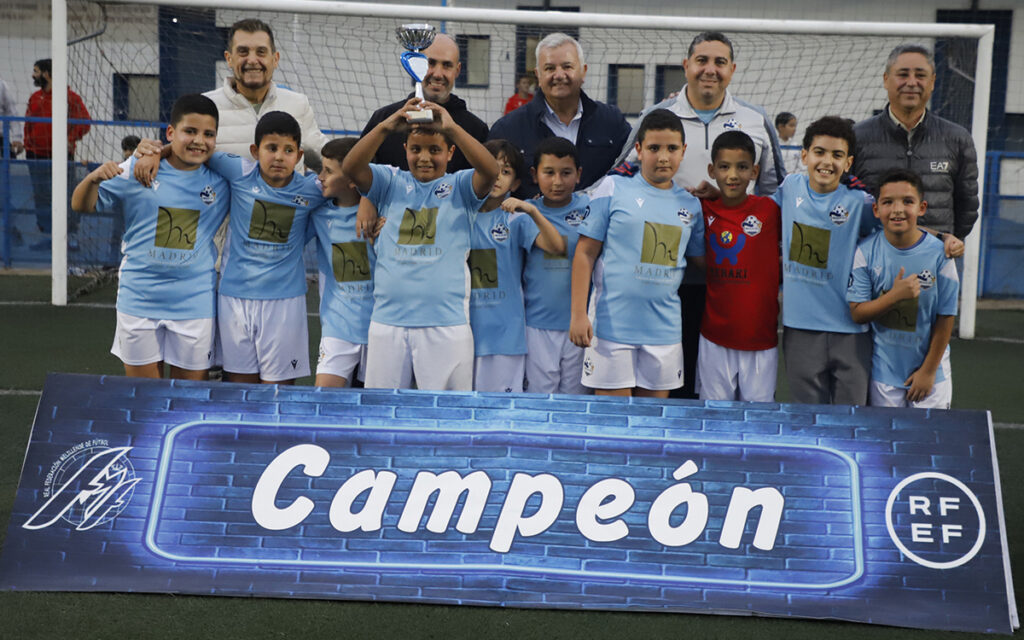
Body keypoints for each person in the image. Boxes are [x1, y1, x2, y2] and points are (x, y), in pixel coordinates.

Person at [612, 32, 784, 400]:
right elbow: (621, 175)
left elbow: (773, 192)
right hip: (667, 277)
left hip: (731, 279)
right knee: (678, 385)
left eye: (720, 62)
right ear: (686, 66)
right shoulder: (658, 117)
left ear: (732, 70)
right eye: (702, 61)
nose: (710, 70)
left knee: (716, 386)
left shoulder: (755, 120)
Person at [70, 94, 229, 381]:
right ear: (171, 132)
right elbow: (81, 205)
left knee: (188, 398)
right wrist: (93, 178)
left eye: (208, 134)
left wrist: (159, 150)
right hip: (139, 299)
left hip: (195, 302)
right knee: (143, 397)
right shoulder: (137, 169)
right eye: (190, 131)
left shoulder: (221, 181)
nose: (199, 141)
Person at [342, 97, 497, 391]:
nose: (424, 157)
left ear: (451, 152)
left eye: (435, 150)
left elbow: (490, 171)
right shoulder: (389, 181)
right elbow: (351, 167)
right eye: (416, 149)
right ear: (405, 150)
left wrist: (452, 128)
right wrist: (385, 127)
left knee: (447, 419)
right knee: (384, 417)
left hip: (445, 325)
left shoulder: (461, 187)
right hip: (388, 323)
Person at [570, 109, 705, 398]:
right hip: (610, 330)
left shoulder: (691, 205)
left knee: (651, 426)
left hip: (664, 334)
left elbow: (701, 262)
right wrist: (578, 315)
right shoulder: (612, 187)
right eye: (654, 148)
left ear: (683, 152)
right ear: (639, 150)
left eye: (671, 149)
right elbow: (585, 252)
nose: (663, 157)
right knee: (612, 425)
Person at [848, 169, 959, 408]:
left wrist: (928, 371)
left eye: (907, 201)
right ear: (876, 210)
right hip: (884, 373)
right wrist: (895, 296)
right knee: (886, 443)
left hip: (931, 372)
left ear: (922, 207)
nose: (898, 210)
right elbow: (857, 313)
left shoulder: (941, 255)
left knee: (930, 443)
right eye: (888, 202)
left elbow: (946, 316)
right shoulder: (865, 252)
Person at [852, 44, 979, 242]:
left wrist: (938, 245)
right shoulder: (856, 137)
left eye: (920, 75)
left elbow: (968, 208)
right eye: (903, 74)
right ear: (886, 80)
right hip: (870, 262)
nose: (912, 83)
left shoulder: (957, 139)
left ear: (933, 82)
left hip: (935, 261)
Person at [470, 139, 565, 393]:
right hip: (463, 336)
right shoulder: (460, 213)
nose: (497, 176)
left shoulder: (517, 219)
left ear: (516, 183)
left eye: (506, 171)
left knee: (500, 416)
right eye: (491, 167)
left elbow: (556, 247)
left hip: (506, 338)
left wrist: (533, 211)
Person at [489, 33, 630, 198]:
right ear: (538, 75)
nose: (559, 75)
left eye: (567, 66)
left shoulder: (611, 121)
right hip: (533, 223)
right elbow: (490, 189)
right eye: (549, 68)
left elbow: (638, 162)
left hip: (599, 222)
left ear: (583, 71)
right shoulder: (507, 129)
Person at [697, 130, 781, 402]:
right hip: (715, 338)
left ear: (755, 171)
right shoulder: (701, 207)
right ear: (712, 170)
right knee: (714, 420)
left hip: (760, 340)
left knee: (757, 422)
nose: (732, 175)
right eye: (724, 167)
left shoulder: (770, 210)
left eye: (742, 167)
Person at [204, 18, 328, 172]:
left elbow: (325, 156)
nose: (252, 60)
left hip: (287, 197)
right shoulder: (206, 107)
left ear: (275, 59)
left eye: (261, 52)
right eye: (243, 52)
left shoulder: (297, 104)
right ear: (229, 59)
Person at [521, 137, 591, 394]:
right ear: (534, 174)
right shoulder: (525, 211)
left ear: (579, 174)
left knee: (576, 402)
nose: (558, 182)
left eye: (566, 173)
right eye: (549, 173)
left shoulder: (591, 209)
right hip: (537, 326)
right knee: (540, 401)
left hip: (579, 325)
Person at [361, 33, 488, 173]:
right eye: (430, 63)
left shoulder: (476, 129)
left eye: (447, 65)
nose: (438, 74)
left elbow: (488, 180)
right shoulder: (384, 119)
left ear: (457, 70)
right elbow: (356, 174)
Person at [310, 138, 375, 388]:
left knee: (372, 406)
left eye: (328, 171)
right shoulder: (319, 215)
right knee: (322, 399)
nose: (320, 177)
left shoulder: (382, 213)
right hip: (338, 326)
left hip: (378, 327)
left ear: (352, 179)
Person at [23, 58, 91, 251]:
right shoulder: (35, 97)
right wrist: (28, 145)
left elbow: (85, 122)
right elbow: (28, 124)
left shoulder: (70, 97)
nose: (33, 75)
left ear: (46, 73)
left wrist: (69, 139)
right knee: (41, 196)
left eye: (36, 71)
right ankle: (48, 235)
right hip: (35, 156)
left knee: (65, 195)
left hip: (61, 157)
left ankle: (68, 236)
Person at [775, 111, 803, 176]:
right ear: (780, 127)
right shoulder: (774, 147)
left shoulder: (797, 147)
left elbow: (802, 167)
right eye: (791, 125)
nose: (794, 129)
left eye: (795, 126)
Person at [0, 76, 22, 157]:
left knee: (11, 166)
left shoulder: (1, 85)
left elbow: (12, 112)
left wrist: (17, 138)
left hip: (1, 140)